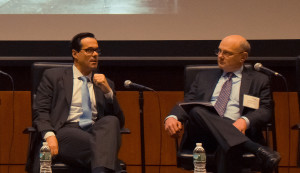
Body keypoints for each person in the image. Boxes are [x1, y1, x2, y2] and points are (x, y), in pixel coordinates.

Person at [164, 35, 281, 173]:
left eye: (227, 53)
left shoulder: (259, 80)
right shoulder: (203, 77)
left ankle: (240, 141)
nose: (220, 56)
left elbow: (266, 109)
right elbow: (187, 103)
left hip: (239, 133)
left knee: (228, 145)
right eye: (219, 51)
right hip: (203, 134)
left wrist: (244, 121)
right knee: (196, 110)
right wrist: (172, 117)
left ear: (243, 57)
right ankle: (256, 149)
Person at [32, 32, 125, 173]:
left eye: (96, 50)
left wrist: (108, 93)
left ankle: (101, 169)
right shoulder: (53, 77)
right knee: (104, 148)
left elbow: (120, 123)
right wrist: (49, 135)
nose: (95, 54)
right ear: (75, 54)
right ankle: (111, 169)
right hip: (65, 131)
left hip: (96, 131)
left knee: (111, 121)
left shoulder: (106, 83)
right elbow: (41, 111)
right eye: (89, 50)